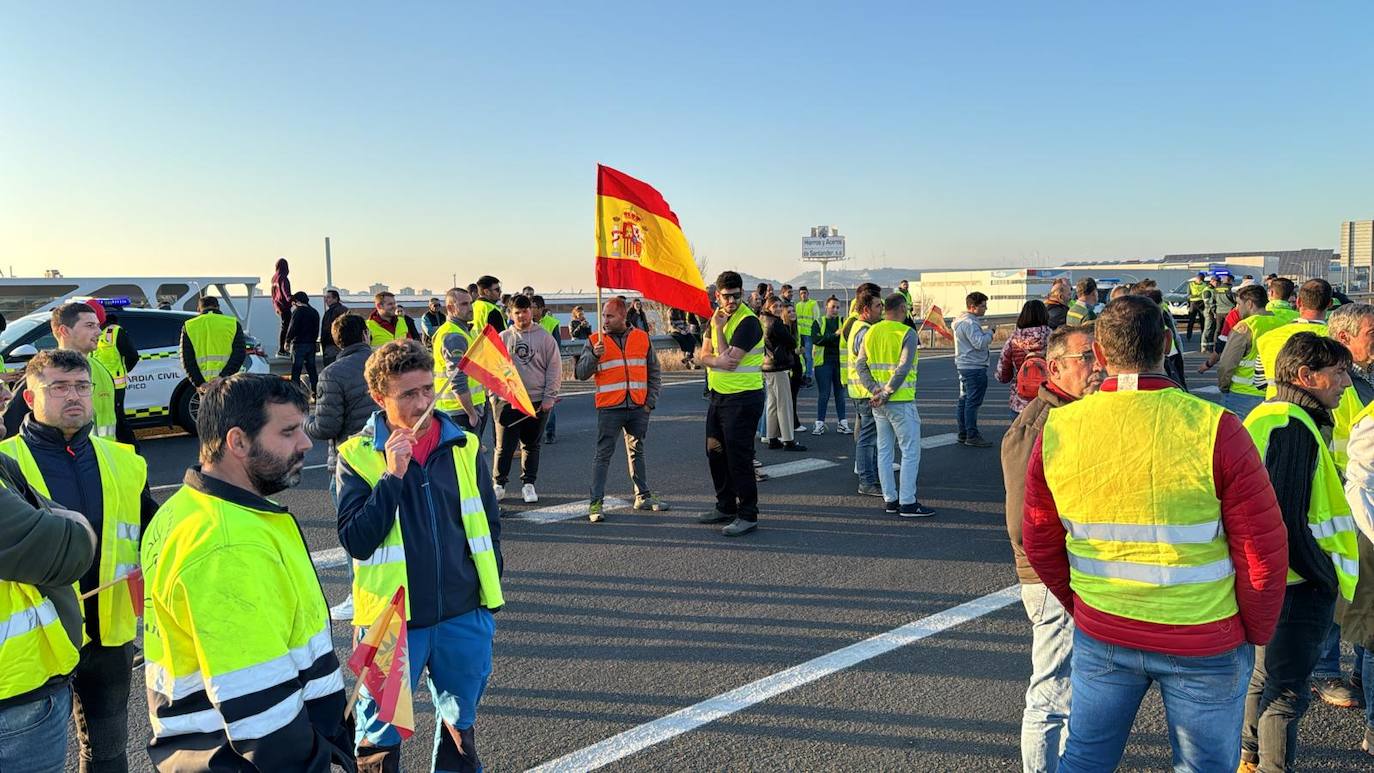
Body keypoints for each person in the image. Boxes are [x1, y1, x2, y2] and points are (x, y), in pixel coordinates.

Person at [1023, 295, 1288, 772]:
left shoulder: (1060, 428)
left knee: (1084, 757)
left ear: (1100, 355)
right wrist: (1253, 632)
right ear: (1167, 344)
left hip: (1104, 628)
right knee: (1204, 764)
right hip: (1205, 637)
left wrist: (1083, 606)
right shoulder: (1216, 427)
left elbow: (1040, 543)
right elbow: (1263, 554)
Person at [142, 375, 353, 771]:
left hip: (203, 747)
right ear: (237, 442)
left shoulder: (184, 507)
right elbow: (262, 713)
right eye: (288, 432)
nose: (306, 442)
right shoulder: (228, 544)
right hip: (244, 759)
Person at [336, 341, 502, 772]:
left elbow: (488, 520)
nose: (423, 401)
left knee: (460, 727)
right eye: (408, 394)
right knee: (379, 736)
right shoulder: (357, 456)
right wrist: (392, 475)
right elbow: (357, 539)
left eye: (427, 389)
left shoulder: (463, 445)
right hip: (393, 624)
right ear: (379, 398)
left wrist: (486, 591)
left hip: (463, 616)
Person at [3, 349, 155, 773]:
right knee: (36, 759)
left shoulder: (123, 460)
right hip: (38, 640)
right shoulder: (7, 462)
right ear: (30, 399)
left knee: (108, 753)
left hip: (109, 634)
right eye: (59, 387)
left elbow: (152, 528)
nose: (74, 396)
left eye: (82, 387)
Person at [1237, 332, 1359, 771]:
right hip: (1297, 583)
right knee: (1287, 693)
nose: (1347, 382)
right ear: (1306, 376)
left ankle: (1248, 760)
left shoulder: (1268, 415)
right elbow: (1286, 519)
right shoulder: (1294, 426)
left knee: (1263, 678)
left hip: (1272, 579)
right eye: (1339, 372)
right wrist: (1323, 575)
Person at [1001, 322, 1103, 773]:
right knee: (1052, 692)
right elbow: (1024, 525)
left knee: (1074, 688)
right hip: (1051, 578)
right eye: (1086, 359)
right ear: (1056, 367)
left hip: (1074, 574)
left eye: (1098, 357)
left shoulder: (1077, 413)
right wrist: (1060, 580)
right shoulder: (1040, 425)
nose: (1096, 367)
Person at [0, 373, 95, 773]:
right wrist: (78, 526)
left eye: (82, 385)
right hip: (17, 694)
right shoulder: (13, 456)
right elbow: (70, 547)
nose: (3, 394)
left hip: (35, 679)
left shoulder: (4, 462)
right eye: (59, 386)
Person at [1310, 303, 1374, 710]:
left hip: (1358, 500)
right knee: (1332, 586)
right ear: (1345, 338)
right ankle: (1324, 670)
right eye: (1372, 333)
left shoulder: (1361, 378)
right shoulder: (1328, 383)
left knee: (1359, 593)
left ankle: (1356, 667)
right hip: (1332, 501)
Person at [576, 297, 667, 522]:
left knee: (637, 451)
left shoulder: (642, 338)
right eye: (603, 316)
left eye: (610, 316)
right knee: (603, 456)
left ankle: (643, 496)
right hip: (610, 408)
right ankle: (595, 504)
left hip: (637, 406)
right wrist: (594, 356)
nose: (604, 320)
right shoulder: (595, 340)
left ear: (623, 317)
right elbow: (580, 373)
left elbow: (654, 372)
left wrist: (649, 403)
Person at [696, 270, 766, 537]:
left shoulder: (748, 322)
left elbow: (728, 360)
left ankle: (748, 514)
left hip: (743, 399)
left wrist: (718, 330)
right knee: (715, 453)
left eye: (736, 296)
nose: (732, 301)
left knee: (739, 458)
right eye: (727, 296)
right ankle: (725, 506)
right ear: (717, 295)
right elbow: (703, 356)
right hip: (718, 397)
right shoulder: (714, 319)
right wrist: (714, 357)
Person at [857, 294, 931, 517]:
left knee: (884, 451)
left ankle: (890, 500)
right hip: (900, 401)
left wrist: (875, 390)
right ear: (901, 308)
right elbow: (903, 367)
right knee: (909, 451)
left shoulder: (871, 331)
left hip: (879, 402)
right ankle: (908, 502)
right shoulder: (906, 333)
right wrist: (887, 392)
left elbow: (860, 365)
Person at [493, 295, 561, 503]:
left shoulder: (545, 337)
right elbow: (492, 370)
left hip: (537, 401)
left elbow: (554, 369)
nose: (522, 315)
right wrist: (493, 396)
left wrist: (549, 397)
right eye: (517, 312)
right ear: (510, 314)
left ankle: (528, 484)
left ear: (531, 312)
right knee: (504, 446)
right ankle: (498, 484)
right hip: (508, 401)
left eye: (525, 311)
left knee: (531, 445)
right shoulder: (503, 338)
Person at [43, 302, 120, 440]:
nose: (99, 332)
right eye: (90, 326)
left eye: (98, 326)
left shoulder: (100, 369)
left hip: (102, 458)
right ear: (64, 331)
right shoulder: (43, 374)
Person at [1254, 278, 1333, 397]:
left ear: (1298, 302)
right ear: (1330, 304)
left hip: (1276, 407)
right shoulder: (1337, 339)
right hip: (1325, 410)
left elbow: (1260, 382)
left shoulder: (1268, 338)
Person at [1213, 284, 1281, 418]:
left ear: (1249, 304)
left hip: (1242, 395)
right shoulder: (1281, 323)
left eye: (1239, 304)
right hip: (1273, 393)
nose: (1236, 309)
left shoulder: (1245, 327)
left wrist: (1223, 386)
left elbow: (1227, 364)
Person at [430, 287, 487, 437]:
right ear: (450, 308)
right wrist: (472, 413)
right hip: (459, 410)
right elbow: (457, 377)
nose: (470, 308)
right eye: (464, 304)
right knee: (465, 458)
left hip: (459, 407)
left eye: (470, 303)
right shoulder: (454, 335)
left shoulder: (457, 330)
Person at [844, 291, 884, 496]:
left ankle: (871, 477)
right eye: (878, 306)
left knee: (867, 437)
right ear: (866, 309)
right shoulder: (864, 331)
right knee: (868, 439)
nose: (882, 310)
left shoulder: (859, 327)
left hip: (859, 390)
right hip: (865, 391)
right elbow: (865, 364)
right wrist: (875, 388)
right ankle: (867, 481)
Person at [760, 296, 804, 451]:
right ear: (768, 306)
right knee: (784, 404)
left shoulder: (762, 320)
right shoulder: (775, 323)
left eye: (780, 306)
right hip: (778, 366)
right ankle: (788, 440)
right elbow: (791, 342)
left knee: (772, 403)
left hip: (767, 366)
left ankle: (772, 438)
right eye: (775, 306)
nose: (778, 309)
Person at [92, 309, 140, 446]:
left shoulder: (115, 332)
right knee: (103, 419)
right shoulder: (94, 333)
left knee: (117, 418)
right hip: (97, 384)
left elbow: (132, 356)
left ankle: (132, 449)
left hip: (115, 385)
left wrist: (123, 371)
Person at [996, 300, 1052, 414]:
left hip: (1020, 401)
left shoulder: (1014, 339)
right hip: (1047, 399)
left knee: (1019, 431)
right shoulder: (1052, 338)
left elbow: (1002, 373)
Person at [953, 292, 994, 447]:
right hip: (974, 366)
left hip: (964, 365)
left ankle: (963, 432)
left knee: (964, 400)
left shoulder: (960, 321)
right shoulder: (970, 323)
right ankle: (972, 434)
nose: (985, 309)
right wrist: (990, 332)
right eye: (983, 306)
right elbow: (979, 343)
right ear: (973, 307)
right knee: (973, 402)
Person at [180, 295, 246, 391]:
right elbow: (239, 354)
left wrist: (200, 383)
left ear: (198, 309)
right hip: (228, 384)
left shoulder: (189, 326)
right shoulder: (233, 323)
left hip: (205, 386)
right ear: (218, 307)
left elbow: (187, 359)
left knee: (208, 406)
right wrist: (223, 377)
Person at [811, 296, 850, 435]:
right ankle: (819, 423)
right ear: (826, 307)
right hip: (823, 363)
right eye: (833, 307)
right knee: (824, 394)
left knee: (840, 393)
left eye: (838, 307)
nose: (835, 310)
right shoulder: (818, 322)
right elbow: (817, 339)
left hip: (839, 363)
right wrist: (834, 336)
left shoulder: (843, 322)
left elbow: (846, 339)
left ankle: (842, 423)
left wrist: (828, 338)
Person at [534, 296, 562, 444]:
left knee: (549, 400)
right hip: (532, 369)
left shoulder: (551, 323)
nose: (530, 310)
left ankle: (550, 432)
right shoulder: (526, 324)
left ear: (540, 309)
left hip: (547, 368)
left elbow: (557, 348)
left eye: (533, 307)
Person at [286, 291, 321, 391]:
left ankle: (296, 393)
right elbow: (316, 329)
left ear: (297, 301)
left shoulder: (298, 312)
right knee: (312, 370)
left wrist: (287, 341)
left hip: (299, 344)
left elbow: (293, 327)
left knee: (296, 370)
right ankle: (315, 392)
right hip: (311, 344)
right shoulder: (314, 312)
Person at [795, 286, 819, 383]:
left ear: (808, 294)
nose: (803, 295)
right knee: (801, 356)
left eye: (805, 293)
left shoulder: (813, 303)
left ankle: (808, 375)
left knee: (808, 356)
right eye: (801, 293)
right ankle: (803, 373)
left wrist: (815, 332)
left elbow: (816, 318)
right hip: (800, 334)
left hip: (808, 334)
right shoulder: (798, 305)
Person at [320, 289, 349, 367]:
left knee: (331, 369)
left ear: (335, 299)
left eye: (328, 297)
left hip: (332, 345)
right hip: (342, 345)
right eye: (326, 298)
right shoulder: (344, 310)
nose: (326, 300)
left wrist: (325, 342)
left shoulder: (332, 312)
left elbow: (327, 329)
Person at [271, 257, 292, 358]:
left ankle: (282, 349)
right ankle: (282, 349)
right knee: (287, 326)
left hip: (278, 306)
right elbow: (285, 291)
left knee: (284, 326)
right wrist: (291, 299)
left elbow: (273, 294)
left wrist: (275, 306)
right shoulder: (283, 278)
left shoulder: (274, 278)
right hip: (284, 305)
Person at [1186, 270, 1208, 342]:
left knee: (1202, 320)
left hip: (1201, 303)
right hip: (1193, 303)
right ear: (1197, 278)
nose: (1200, 280)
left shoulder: (1204, 285)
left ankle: (1203, 336)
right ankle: (1188, 336)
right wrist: (1191, 299)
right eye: (1200, 278)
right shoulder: (1191, 284)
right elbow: (1188, 295)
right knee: (1191, 321)